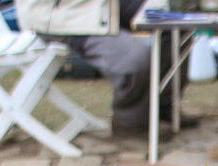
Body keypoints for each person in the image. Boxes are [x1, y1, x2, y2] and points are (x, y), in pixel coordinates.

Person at [14, 0, 197, 136]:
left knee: (178, 18)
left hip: (103, 4)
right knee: (133, 59)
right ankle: (129, 122)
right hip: (62, 14)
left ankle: (162, 105)